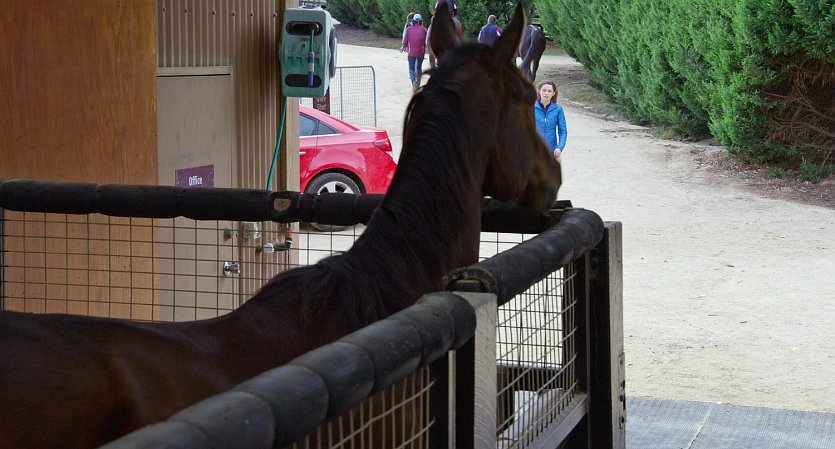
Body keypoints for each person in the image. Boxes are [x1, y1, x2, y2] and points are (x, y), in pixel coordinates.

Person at [534, 80, 568, 159]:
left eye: (549, 91)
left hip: (551, 152)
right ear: (539, 91)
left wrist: (559, 147)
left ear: (553, 93)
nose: (546, 93)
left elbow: (563, 131)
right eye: (544, 90)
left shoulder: (558, 109)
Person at [401, 14, 428, 93]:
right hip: (421, 53)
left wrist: (403, 47)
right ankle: (418, 85)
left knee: (411, 68)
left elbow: (405, 41)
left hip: (411, 53)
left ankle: (413, 82)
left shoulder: (409, 29)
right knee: (419, 68)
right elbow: (426, 42)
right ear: (421, 21)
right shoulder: (424, 30)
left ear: (413, 21)